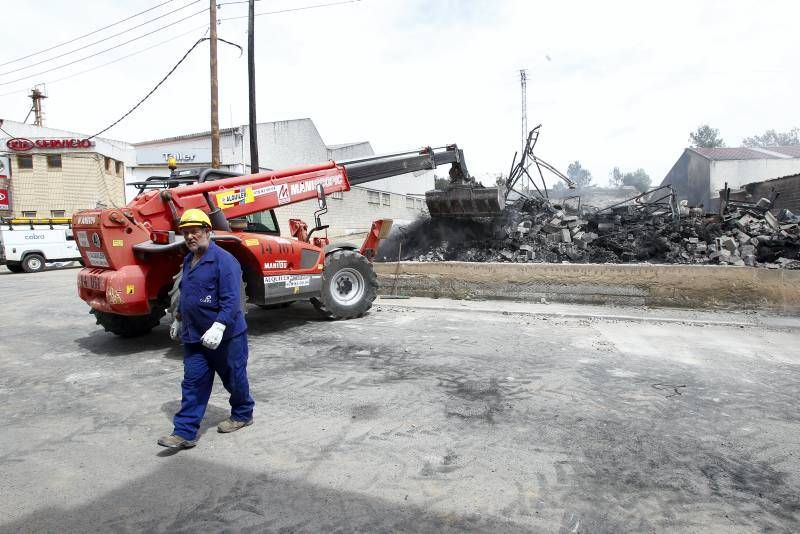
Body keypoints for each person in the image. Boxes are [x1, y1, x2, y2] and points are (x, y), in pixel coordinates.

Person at [158, 209, 254, 449]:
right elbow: (188, 293)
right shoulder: (189, 260)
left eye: (195, 231)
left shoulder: (224, 261)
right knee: (193, 382)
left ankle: (243, 413)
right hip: (195, 335)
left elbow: (232, 300)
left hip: (227, 336)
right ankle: (185, 432)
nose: (190, 236)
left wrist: (220, 326)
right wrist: (179, 317)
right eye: (186, 232)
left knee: (234, 378)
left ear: (208, 231)